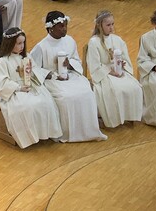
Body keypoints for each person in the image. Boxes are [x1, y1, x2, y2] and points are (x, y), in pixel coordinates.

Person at [30, 12, 105, 143]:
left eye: (65, 25)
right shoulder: (41, 47)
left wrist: (69, 64)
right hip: (52, 79)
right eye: (61, 26)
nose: (64, 29)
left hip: (70, 74)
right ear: (50, 28)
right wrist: (52, 74)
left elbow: (76, 59)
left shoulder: (70, 41)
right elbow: (34, 69)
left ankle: (88, 130)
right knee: (66, 98)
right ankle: (68, 133)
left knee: (87, 93)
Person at [0, 31, 62, 149]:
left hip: (30, 86)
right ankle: (28, 137)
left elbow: (36, 70)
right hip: (14, 91)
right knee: (27, 106)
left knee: (46, 102)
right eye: (18, 43)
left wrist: (32, 72)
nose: (22, 46)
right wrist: (19, 88)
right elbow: (3, 82)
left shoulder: (26, 56)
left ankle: (45, 133)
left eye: (23, 43)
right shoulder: (4, 61)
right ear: (10, 43)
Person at [84, 11, 142, 129]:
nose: (111, 28)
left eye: (112, 24)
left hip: (119, 71)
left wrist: (123, 64)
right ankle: (114, 119)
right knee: (116, 90)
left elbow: (126, 58)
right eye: (108, 25)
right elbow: (94, 65)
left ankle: (129, 115)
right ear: (99, 25)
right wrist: (110, 71)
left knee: (135, 87)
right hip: (105, 74)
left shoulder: (117, 39)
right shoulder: (94, 42)